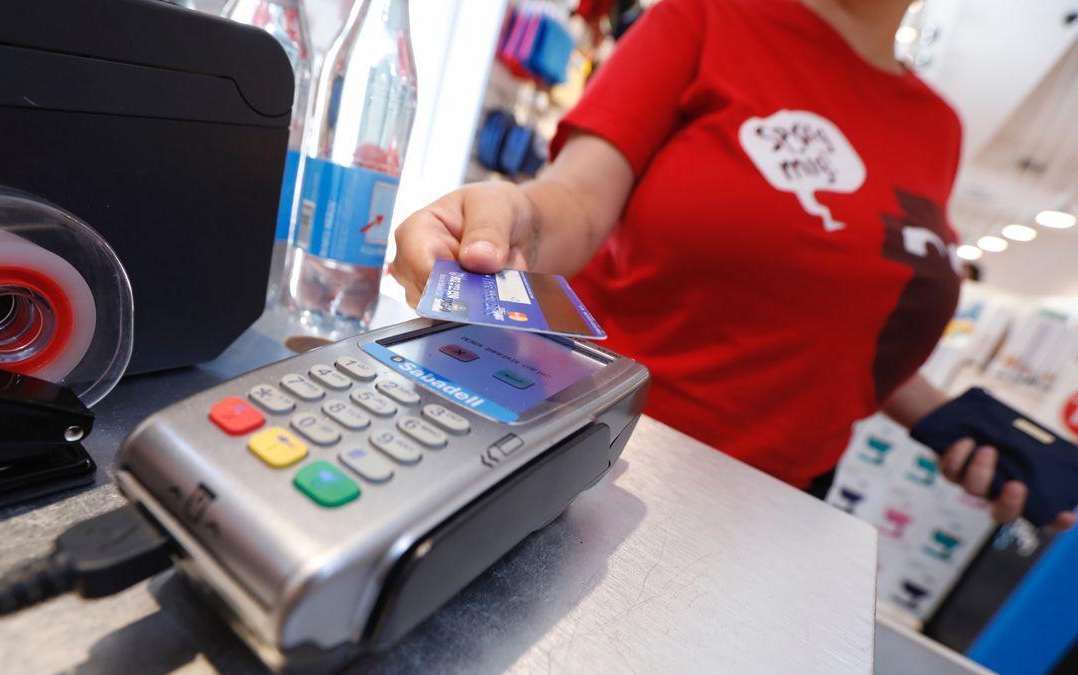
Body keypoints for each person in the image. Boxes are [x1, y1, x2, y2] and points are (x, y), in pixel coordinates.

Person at [391, 0, 1076, 530]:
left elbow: (839, 315)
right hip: (601, 459)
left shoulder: (938, 128)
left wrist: (956, 421)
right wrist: (513, 221)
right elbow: (577, 199)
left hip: (784, 509)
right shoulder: (707, 17)